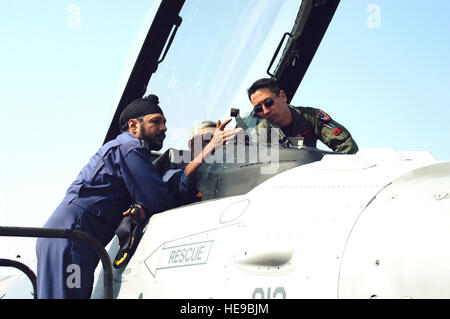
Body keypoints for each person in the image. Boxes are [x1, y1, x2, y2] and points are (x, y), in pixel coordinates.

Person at [35, 94, 237, 298]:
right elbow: (157, 199)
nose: (164, 128)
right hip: (73, 236)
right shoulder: (129, 148)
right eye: (156, 122)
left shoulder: (123, 148)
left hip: (68, 235)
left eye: (165, 122)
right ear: (133, 125)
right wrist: (206, 153)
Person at [247, 78, 359, 154]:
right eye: (258, 108)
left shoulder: (310, 117)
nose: (265, 111)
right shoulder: (258, 136)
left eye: (268, 103)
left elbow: (346, 146)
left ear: (282, 96)